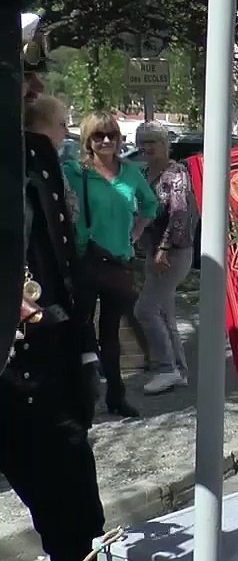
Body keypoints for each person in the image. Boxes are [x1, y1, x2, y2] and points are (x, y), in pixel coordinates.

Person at [2, 17, 107, 561]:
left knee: (76, 528)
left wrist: (83, 349)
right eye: (21, 71)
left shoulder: (31, 155)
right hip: (15, 377)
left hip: (43, 373)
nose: (34, 87)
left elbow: (62, 266)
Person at [64, 111, 159, 418]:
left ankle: (116, 396)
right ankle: (82, 393)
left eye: (112, 136)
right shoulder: (75, 171)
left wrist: (137, 230)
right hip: (84, 259)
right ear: (88, 140)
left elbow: (151, 204)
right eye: (98, 136)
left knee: (111, 333)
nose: (106, 141)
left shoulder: (130, 172)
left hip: (119, 261)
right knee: (81, 329)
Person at [133, 122, 197, 395]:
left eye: (152, 142)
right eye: (142, 142)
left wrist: (163, 248)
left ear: (165, 144)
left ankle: (165, 368)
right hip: (152, 250)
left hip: (173, 252)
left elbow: (180, 216)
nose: (147, 147)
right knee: (164, 313)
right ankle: (178, 370)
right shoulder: (145, 173)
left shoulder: (176, 174)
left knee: (145, 310)